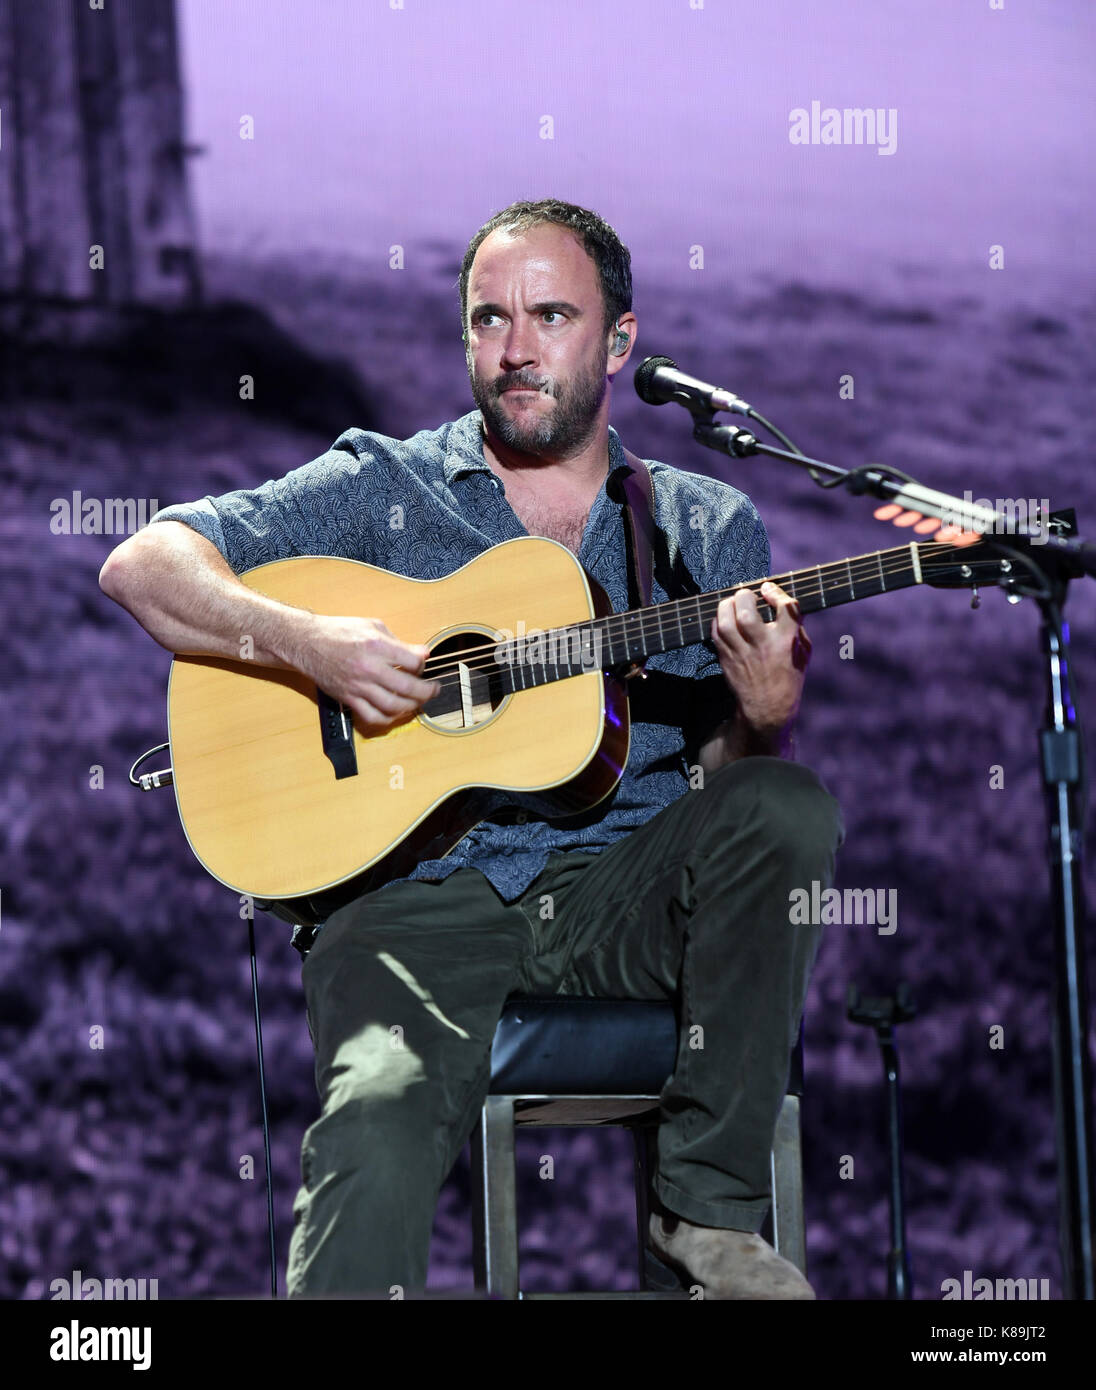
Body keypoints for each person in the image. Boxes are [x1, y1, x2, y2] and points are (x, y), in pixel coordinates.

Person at [99, 198, 843, 1300]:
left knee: (787, 803)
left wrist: (762, 718)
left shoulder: (705, 529)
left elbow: (722, 804)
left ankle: (703, 1216)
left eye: (552, 315)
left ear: (619, 342)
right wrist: (311, 644)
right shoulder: (383, 486)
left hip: (620, 897)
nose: (517, 348)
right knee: (379, 1115)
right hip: (414, 903)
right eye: (490, 319)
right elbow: (143, 566)